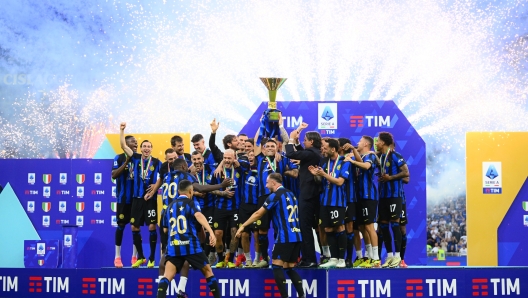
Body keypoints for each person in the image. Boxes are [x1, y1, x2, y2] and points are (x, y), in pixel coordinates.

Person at [236, 173, 305, 298]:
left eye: (267, 183)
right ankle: (302, 295)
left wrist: (243, 226)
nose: (266, 186)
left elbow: (258, 214)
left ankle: (285, 296)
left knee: (276, 266)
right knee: (289, 268)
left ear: (274, 183)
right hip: (297, 236)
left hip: (285, 237)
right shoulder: (291, 194)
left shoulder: (275, 196)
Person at [157, 180, 221, 298]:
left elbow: (165, 230)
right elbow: (198, 215)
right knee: (208, 272)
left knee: (167, 276)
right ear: (191, 191)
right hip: (191, 246)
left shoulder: (169, 207)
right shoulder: (191, 203)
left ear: (178, 191)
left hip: (174, 246)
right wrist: (211, 232)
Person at [120, 123, 163, 268]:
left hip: (150, 200)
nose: (146, 148)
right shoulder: (136, 158)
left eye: (148, 147)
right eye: (144, 146)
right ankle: (141, 257)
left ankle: (151, 258)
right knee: (134, 228)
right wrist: (122, 131)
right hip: (136, 200)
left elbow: (163, 177)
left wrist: (155, 187)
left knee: (152, 227)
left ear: (151, 149)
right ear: (141, 148)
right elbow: (123, 147)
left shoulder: (156, 162)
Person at [285, 123, 322, 268]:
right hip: (311, 193)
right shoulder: (314, 153)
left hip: (307, 194)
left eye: (305, 140)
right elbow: (302, 152)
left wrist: (290, 140)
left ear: (311, 142)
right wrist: (298, 141)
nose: (304, 142)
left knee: (304, 226)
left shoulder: (312, 153)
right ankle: (309, 258)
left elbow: (290, 154)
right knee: (306, 226)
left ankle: (310, 259)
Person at [309, 138, 348, 268]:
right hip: (325, 201)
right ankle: (334, 258)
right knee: (327, 228)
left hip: (337, 201)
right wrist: (316, 175)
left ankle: (342, 259)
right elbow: (321, 180)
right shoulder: (324, 162)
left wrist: (323, 174)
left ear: (333, 149)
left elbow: (340, 182)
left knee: (339, 228)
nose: (323, 150)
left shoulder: (344, 162)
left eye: (325, 148)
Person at [345, 136, 381, 268]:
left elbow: (366, 166)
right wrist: (352, 154)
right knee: (361, 227)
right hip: (359, 197)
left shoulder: (370, 156)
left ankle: (376, 258)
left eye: (359, 142)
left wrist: (352, 161)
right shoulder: (359, 156)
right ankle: (368, 256)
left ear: (366, 144)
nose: (358, 143)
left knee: (369, 226)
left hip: (368, 196)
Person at [376, 132, 409, 268]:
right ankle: (389, 256)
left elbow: (406, 173)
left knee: (396, 225)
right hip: (383, 196)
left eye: (377, 141)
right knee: (383, 226)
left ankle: (398, 257)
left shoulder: (395, 156)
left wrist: (391, 178)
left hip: (395, 196)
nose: (376, 143)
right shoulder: (381, 157)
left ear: (383, 142)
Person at [111, 134, 139, 267]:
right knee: (121, 227)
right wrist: (126, 162)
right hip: (123, 199)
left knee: (135, 227)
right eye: (133, 143)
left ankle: (135, 257)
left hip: (136, 200)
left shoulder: (140, 159)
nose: (136, 144)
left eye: (137, 143)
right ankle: (117, 257)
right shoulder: (119, 157)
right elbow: (114, 175)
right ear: (126, 144)